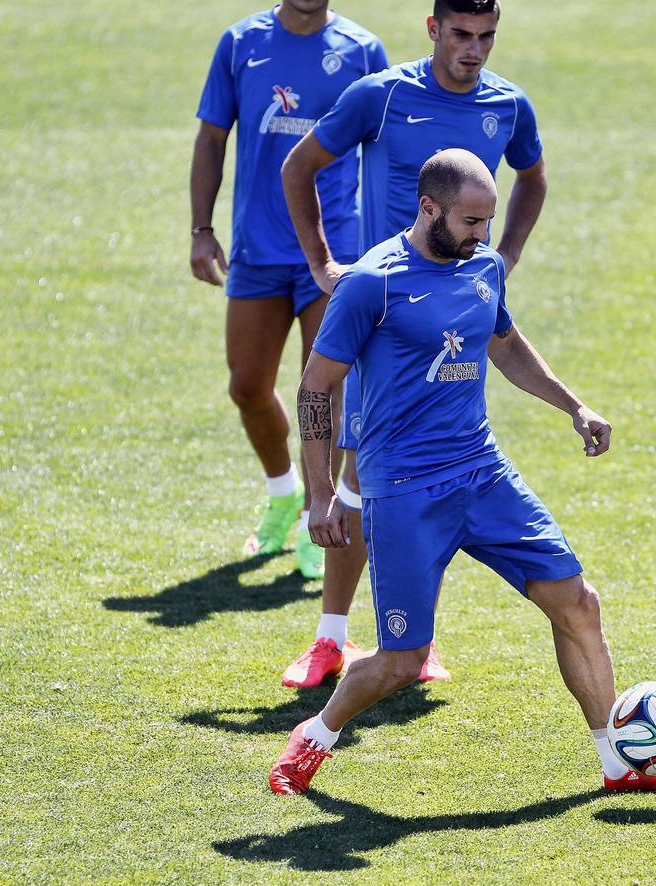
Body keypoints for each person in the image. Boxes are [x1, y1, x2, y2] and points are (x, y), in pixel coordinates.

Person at [269, 150, 656, 795]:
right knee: (401, 661)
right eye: (471, 222)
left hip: (483, 474)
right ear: (429, 208)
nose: (482, 236)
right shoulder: (373, 283)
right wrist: (321, 495)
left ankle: (620, 763)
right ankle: (316, 736)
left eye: (489, 221)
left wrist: (574, 405)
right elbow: (315, 389)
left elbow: (503, 344)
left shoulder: (483, 270)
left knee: (577, 603)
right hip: (405, 492)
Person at [278, 0, 548, 688]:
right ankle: (331, 638)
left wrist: (506, 255)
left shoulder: (508, 105)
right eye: (461, 33)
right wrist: (321, 265)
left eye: (487, 36)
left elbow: (533, 177)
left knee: (434, 472)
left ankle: (411, 638)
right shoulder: (382, 94)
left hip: (448, 319)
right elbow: (299, 165)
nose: (474, 49)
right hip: (385, 315)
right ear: (433, 29)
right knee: (357, 470)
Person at [190, 1, 387, 578]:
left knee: (319, 393)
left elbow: (382, 156)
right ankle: (281, 488)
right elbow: (211, 138)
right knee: (247, 387)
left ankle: (311, 516)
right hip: (256, 247)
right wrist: (202, 230)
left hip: (333, 253)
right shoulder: (239, 42)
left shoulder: (362, 50)